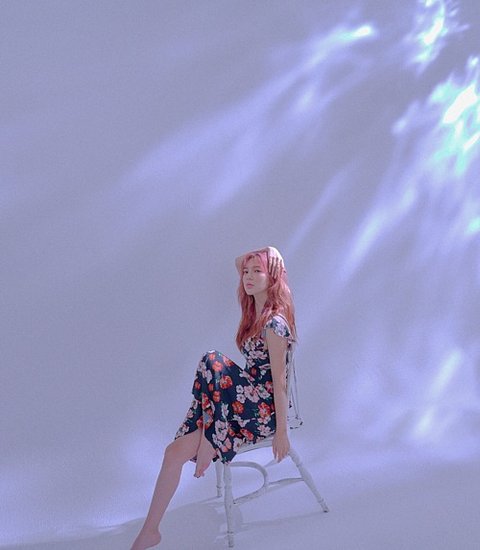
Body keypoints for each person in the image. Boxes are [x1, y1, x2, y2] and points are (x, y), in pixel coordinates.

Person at [130, 246, 297, 550]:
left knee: (213, 359)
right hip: (235, 404)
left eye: (257, 271)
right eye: (246, 272)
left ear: (272, 276)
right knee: (173, 452)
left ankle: (211, 436)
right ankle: (150, 531)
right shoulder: (255, 314)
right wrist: (264, 256)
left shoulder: (275, 324)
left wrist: (282, 432)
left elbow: (280, 382)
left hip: (262, 410)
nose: (247, 276)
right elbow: (238, 262)